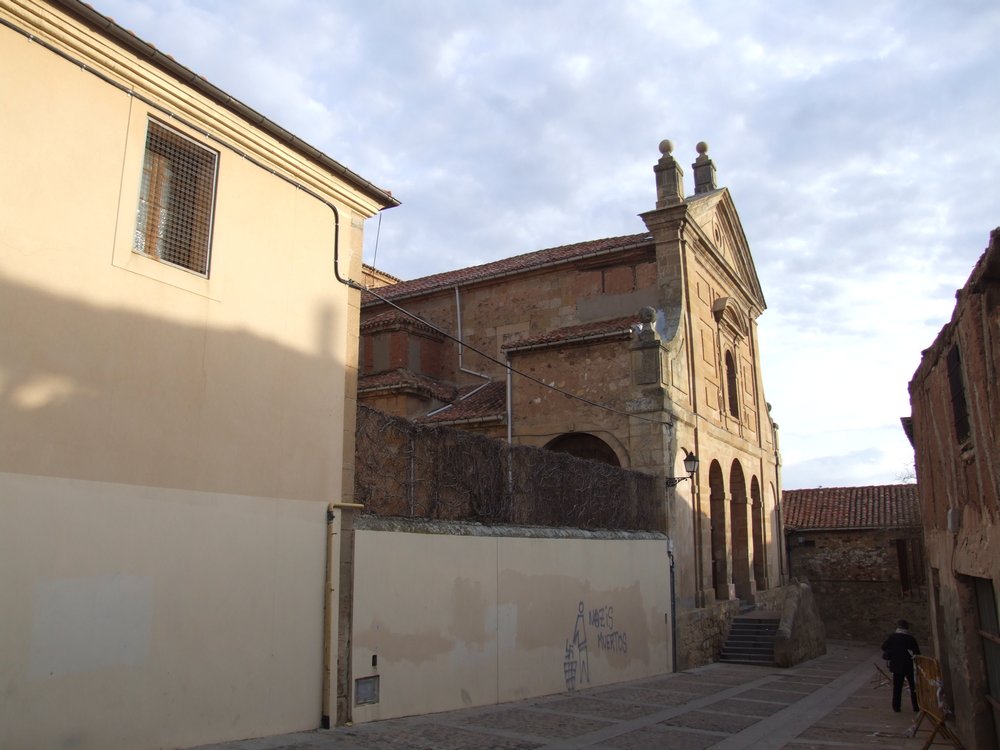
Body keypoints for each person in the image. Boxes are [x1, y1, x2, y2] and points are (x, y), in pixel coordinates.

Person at [881, 619, 920, 712]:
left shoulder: (892, 637)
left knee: (897, 687)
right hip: (909, 665)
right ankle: (916, 706)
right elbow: (917, 652)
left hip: (896, 665)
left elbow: (883, 647)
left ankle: (896, 707)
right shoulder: (910, 639)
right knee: (913, 687)